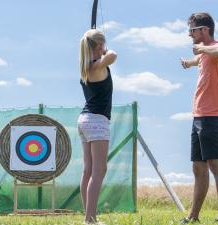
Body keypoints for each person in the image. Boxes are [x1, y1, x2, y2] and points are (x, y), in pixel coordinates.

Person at [180, 12, 218, 223]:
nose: (189, 34)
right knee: (198, 167)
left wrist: (201, 49)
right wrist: (189, 63)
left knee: (216, 165)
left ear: (204, 30)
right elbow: (198, 59)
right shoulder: (203, 55)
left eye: (192, 30)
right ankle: (193, 216)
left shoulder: (216, 47)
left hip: (211, 115)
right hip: (198, 116)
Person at [77, 29, 117, 224]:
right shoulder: (97, 66)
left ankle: (88, 215)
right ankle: (90, 219)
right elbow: (113, 55)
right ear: (99, 45)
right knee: (99, 170)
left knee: (88, 170)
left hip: (84, 120)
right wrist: (104, 50)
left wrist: (99, 48)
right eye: (102, 43)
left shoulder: (87, 67)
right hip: (97, 121)